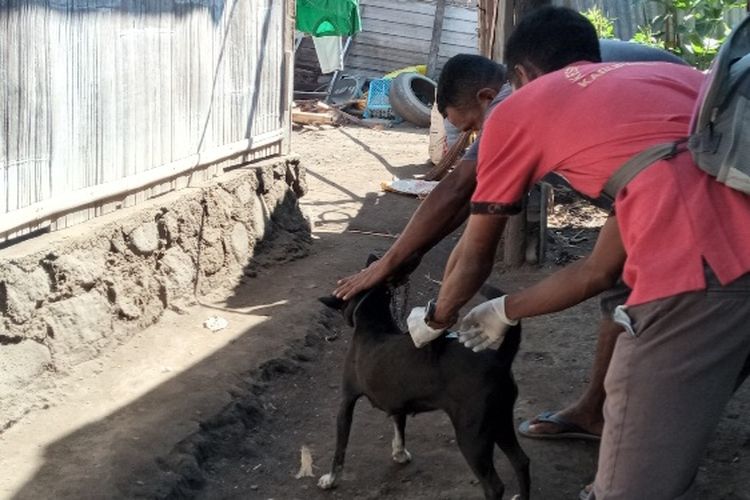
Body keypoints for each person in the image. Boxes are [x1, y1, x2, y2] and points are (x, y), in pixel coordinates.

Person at [405, 6, 750, 499]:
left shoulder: (519, 108)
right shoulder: (664, 87)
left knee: (626, 489)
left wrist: (437, 317)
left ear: (519, 76)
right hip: (727, 259)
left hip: (703, 270)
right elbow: (598, 270)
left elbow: (476, 249)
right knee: (688, 397)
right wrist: (504, 309)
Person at [335, 43, 688, 441]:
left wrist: (426, 300)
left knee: (664, 313)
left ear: (490, 95)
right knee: (621, 281)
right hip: (673, 158)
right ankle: (596, 412)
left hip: (690, 191)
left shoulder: (512, 108)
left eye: (470, 127)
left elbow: (460, 196)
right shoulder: (605, 78)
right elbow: (476, 201)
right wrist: (416, 256)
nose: (474, 138)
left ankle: (636, 439)